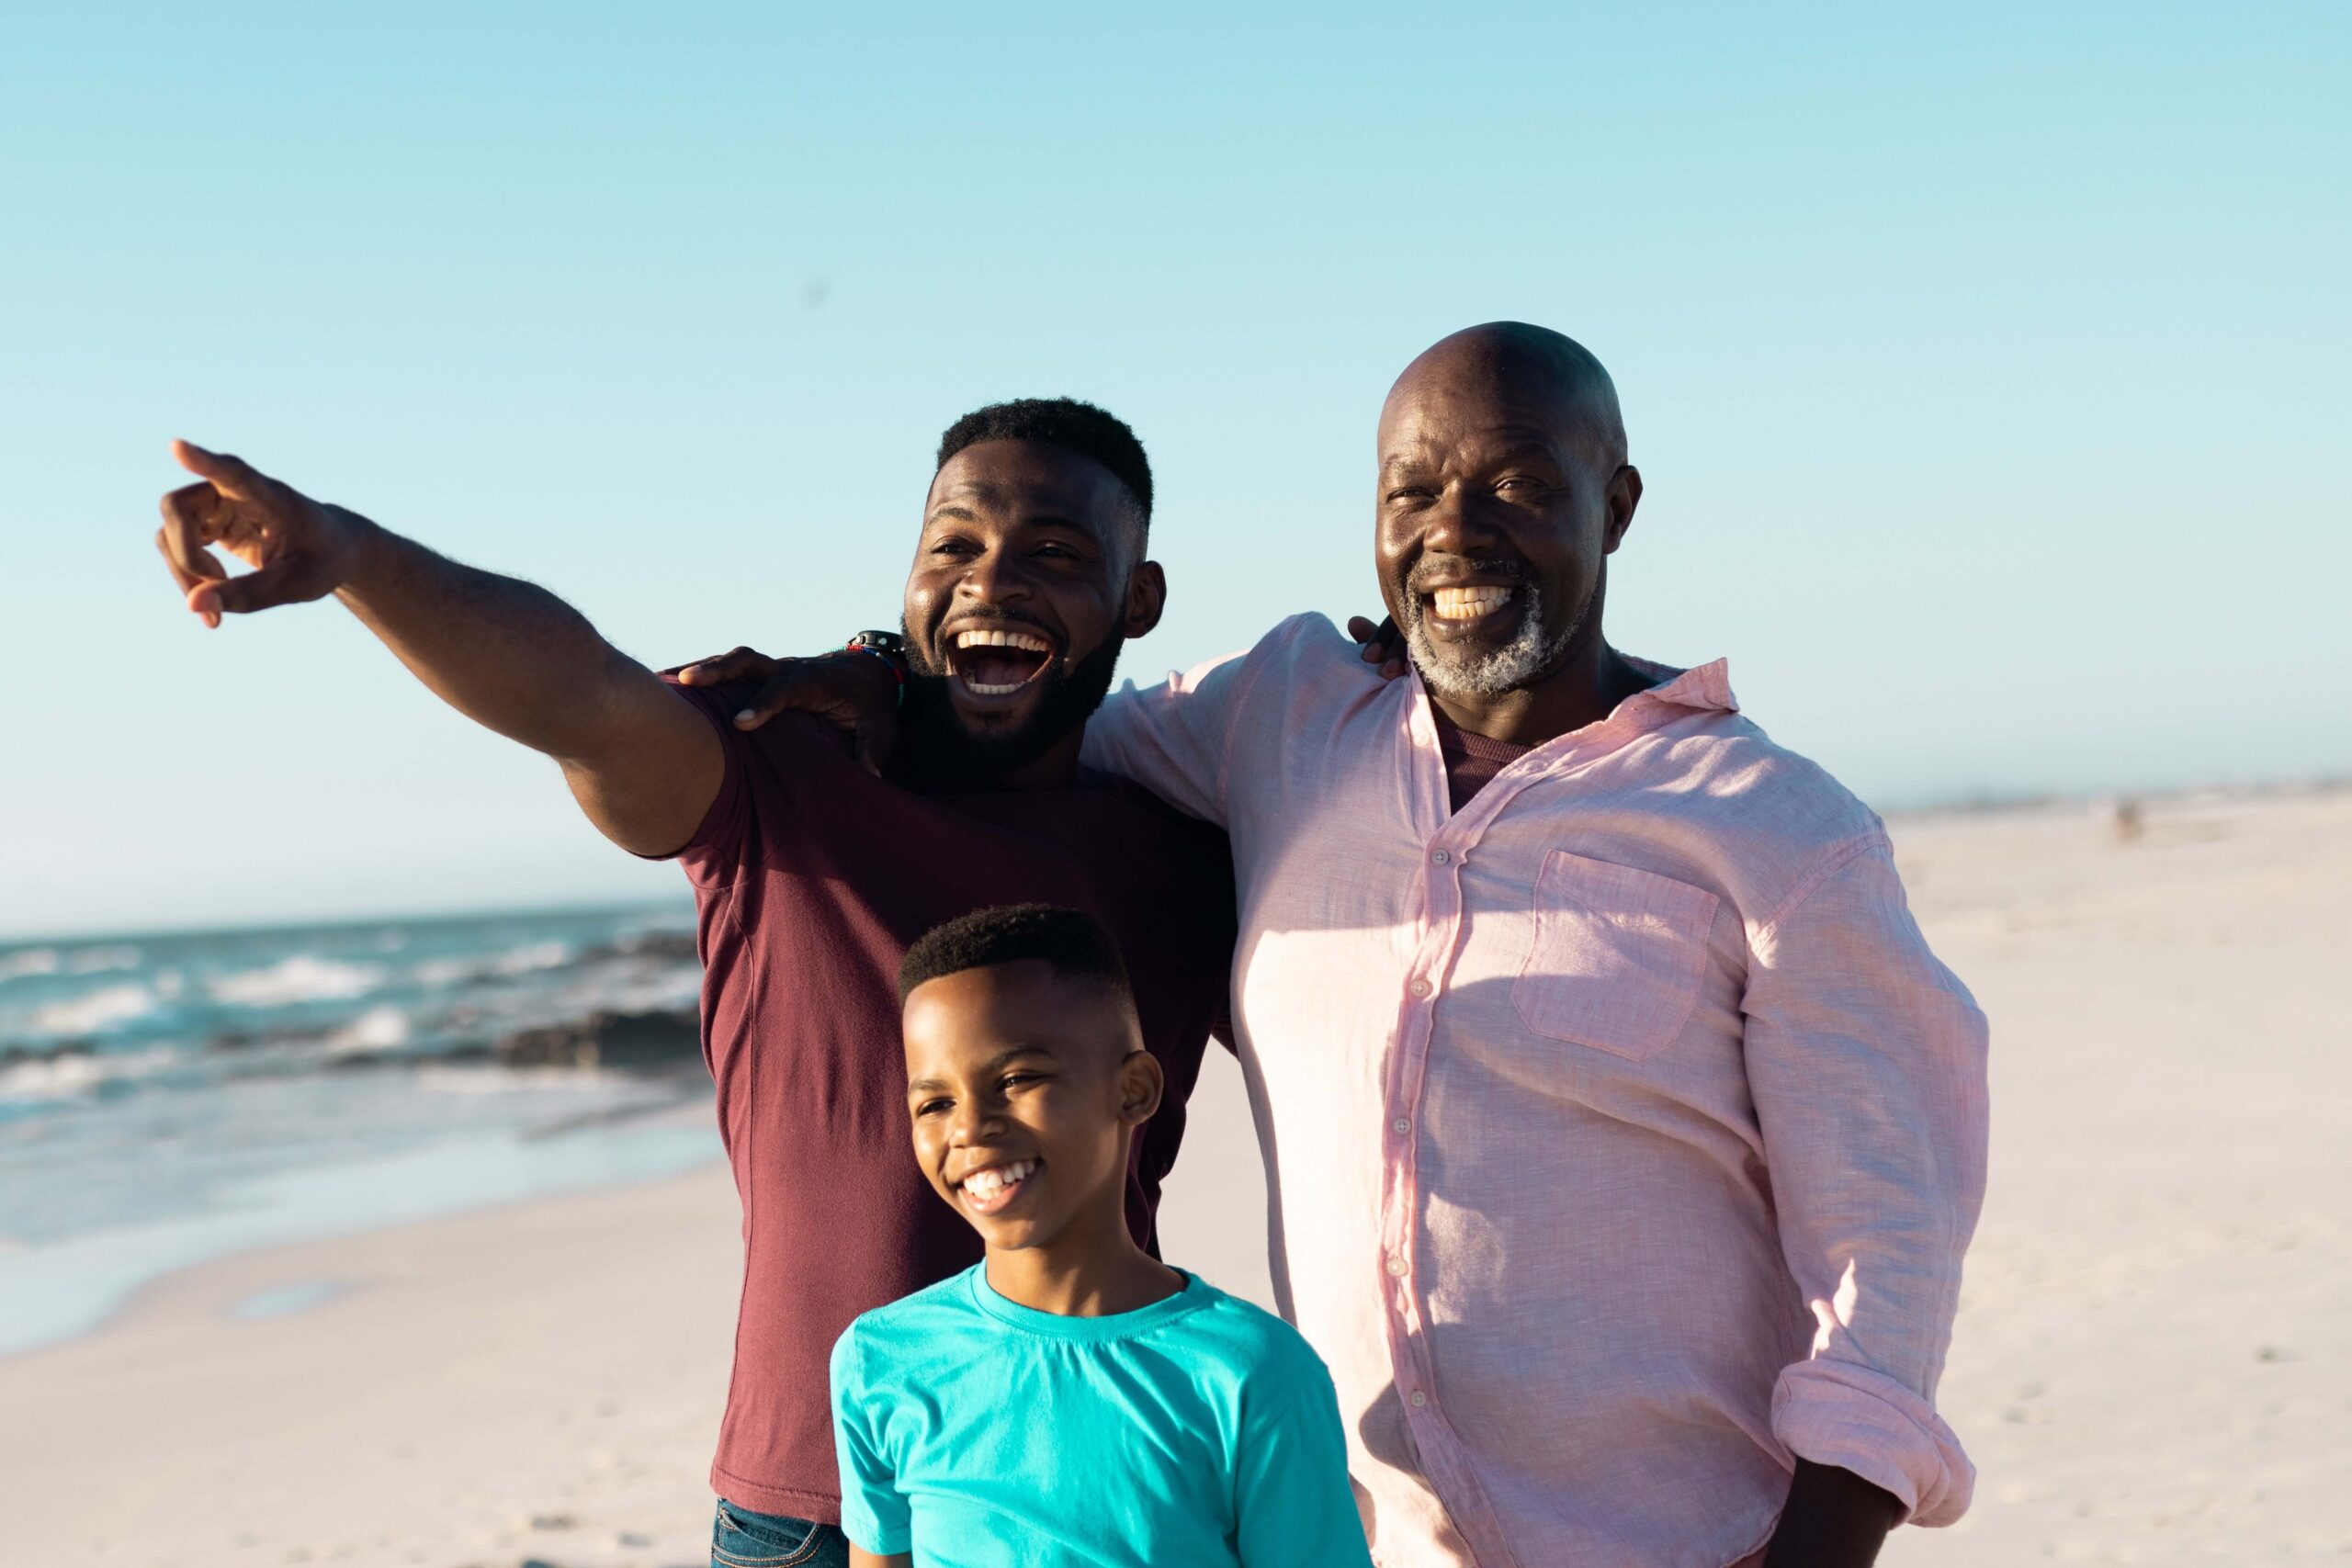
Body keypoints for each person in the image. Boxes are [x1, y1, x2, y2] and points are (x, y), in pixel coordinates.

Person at [697, 323, 1991, 1568]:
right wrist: (882, 668)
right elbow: (1033, 701)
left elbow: (1888, 1272)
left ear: (1621, 500)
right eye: (1411, 490)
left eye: (1518, 486)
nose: (1454, 531)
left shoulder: (1780, 827)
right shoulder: (1283, 714)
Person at [150, 399, 1236, 1568]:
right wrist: (358, 559)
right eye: (953, 547)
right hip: (809, 1507)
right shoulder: (781, 774)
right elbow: (582, 702)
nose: (990, 583)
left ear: (1140, 602)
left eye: (1056, 555)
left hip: (1091, 1489)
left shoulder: (1188, 855)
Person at [831, 904, 1372, 1568]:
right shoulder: (880, 1359)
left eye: (1015, 1079)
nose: (968, 1128)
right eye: (934, 1103)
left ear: (1135, 1089)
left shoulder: (1253, 1374)